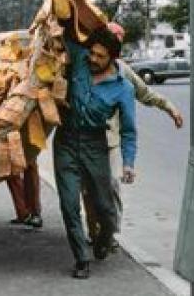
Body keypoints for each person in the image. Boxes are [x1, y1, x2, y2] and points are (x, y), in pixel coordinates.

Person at [82, 22, 183, 244]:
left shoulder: (122, 71)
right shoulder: (85, 66)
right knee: (88, 191)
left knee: (111, 184)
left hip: (109, 141)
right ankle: (94, 232)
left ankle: (111, 232)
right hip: (83, 140)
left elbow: (145, 94)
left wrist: (169, 107)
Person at [54, 26, 137, 279]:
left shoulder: (124, 89)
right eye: (92, 53)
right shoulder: (79, 59)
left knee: (106, 210)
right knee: (69, 205)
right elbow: (67, 22)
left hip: (95, 145)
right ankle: (81, 259)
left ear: (113, 58)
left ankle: (104, 238)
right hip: (66, 142)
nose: (93, 59)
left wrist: (128, 163)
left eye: (100, 56)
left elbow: (129, 130)